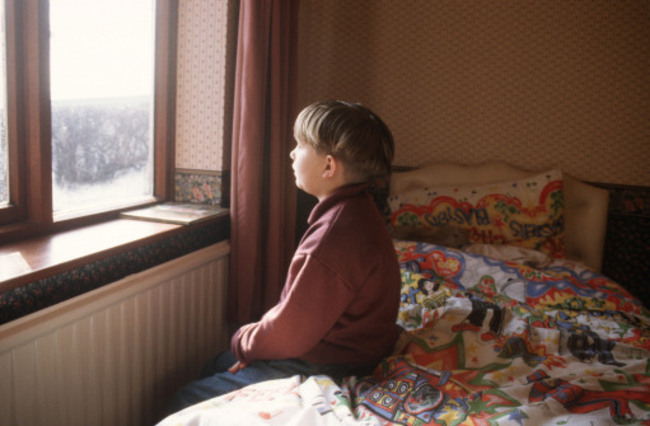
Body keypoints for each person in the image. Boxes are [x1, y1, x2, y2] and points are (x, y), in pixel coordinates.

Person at [167, 100, 401, 413]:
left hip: (335, 362)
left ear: (328, 167)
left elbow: (292, 334)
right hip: (354, 349)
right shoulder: (358, 210)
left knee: (188, 398)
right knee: (216, 364)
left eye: (300, 146)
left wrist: (243, 340)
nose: (292, 153)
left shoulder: (334, 236)